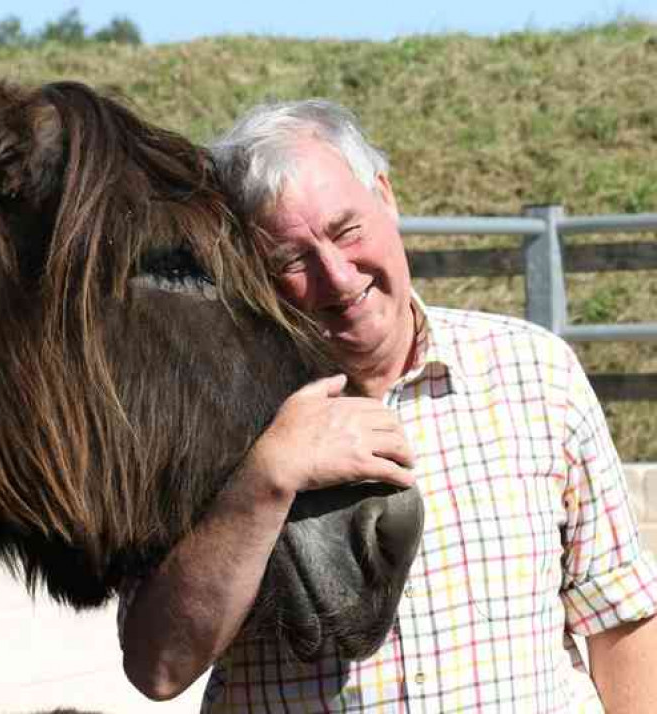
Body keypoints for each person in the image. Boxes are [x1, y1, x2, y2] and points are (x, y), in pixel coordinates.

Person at [118, 98, 657, 712]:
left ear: (386, 197)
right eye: (290, 260)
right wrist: (265, 478)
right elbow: (157, 667)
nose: (338, 278)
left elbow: (621, 621)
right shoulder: (202, 423)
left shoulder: (536, 373)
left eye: (346, 231)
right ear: (249, 272)